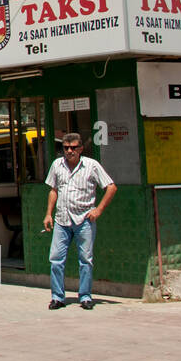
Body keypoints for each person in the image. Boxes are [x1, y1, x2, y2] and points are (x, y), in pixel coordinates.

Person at [42, 132, 116, 310]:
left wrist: (98, 210)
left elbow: (111, 187)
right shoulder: (57, 165)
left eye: (73, 148)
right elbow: (53, 190)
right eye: (66, 148)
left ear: (81, 149)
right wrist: (48, 214)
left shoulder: (91, 166)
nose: (69, 151)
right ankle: (58, 297)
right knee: (56, 259)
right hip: (62, 219)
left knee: (85, 259)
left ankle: (85, 296)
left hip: (84, 220)